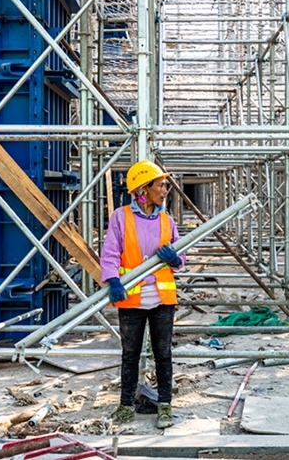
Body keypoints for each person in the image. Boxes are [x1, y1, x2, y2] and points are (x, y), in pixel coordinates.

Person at [100, 159, 186, 429]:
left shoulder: (166, 220)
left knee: (163, 354)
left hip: (162, 299)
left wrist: (175, 259)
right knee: (130, 354)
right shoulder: (121, 217)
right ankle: (126, 406)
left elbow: (181, 256)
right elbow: (111, 252)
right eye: (160, 185)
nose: (165, 190)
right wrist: (112, 279)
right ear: (143, 190)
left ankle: (165, 407)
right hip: (132, 298)